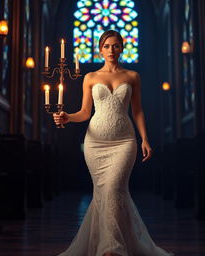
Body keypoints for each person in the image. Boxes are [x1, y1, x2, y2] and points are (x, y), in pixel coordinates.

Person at [53, 30, 174, 256]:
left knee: (114, 188)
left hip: (124, 143)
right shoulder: (90, 78)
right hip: (95, 144)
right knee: (105, 193)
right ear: (100, 50)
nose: (111, 50)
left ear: (122, 48)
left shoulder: (132, 76)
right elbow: (85, 112)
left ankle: (111, 249)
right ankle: (112, 245)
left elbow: (137, 111)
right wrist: (68, 117)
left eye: (116, 46)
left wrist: (144, 138)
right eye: (107, 46)